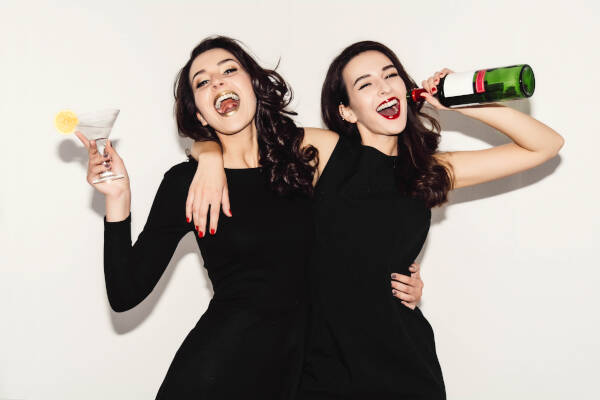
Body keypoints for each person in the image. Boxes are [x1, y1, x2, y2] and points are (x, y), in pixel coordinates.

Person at [186, 40, 564, 399]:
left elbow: (546, 145)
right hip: (322, 377)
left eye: (391, 75)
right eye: (365, 84)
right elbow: (243, 133)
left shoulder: (428, 171)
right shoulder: (322, 153)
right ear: (347, 111)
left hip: (406, 371)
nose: (384, 88)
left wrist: (464, 103)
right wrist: (206, 154)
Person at [75, 36, 424, 399]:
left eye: (229, 70)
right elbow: (124, 292)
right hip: (213, 376)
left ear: (255, 85)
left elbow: (381, 199)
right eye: (203, 82)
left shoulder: (306, 161)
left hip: (296, 381)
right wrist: (119, 199)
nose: (219, 82)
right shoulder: (186, 183)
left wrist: (398, 274)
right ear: (198, 112)